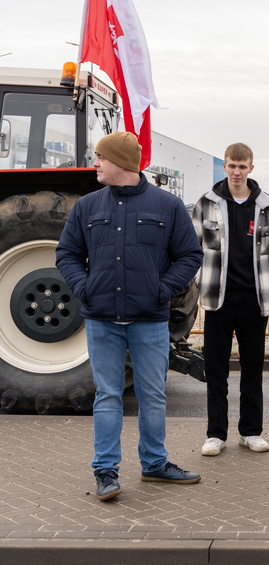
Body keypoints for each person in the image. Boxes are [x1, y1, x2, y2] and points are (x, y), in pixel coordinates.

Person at [56, 131, 203, 501]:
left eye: (100, 158)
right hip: (102, 318)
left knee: (152, 395)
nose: (95, 164)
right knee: (107, 395)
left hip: (149, 320)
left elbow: (190, 255)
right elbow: (67, 254)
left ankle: (155, 465)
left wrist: (162, 289)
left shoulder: (167, 206)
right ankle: (105, 471)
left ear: (121, 163)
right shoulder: (87, 207)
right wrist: (84, 288)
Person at [192, 143, 269, 457]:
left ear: (251, 169)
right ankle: (216, 434)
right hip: (218, 299)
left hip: (255, 300)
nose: (236, 172)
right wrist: (199, 283)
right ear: (225, 166)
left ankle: (251, 432)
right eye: (232, 165)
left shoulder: (267, 205)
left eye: (242, 167)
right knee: (216, 369)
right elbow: (193, 250)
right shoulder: (207, 203)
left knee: (252, 368)